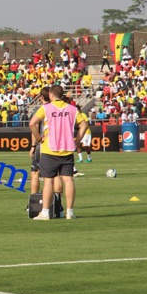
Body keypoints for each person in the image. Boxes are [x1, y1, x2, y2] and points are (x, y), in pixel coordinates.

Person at [29, 85, 88, 220]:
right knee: (68, 180)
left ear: (50, 94)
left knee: (48, 181)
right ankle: (70, 212)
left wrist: (38, 139)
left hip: (50, 148)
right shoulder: (72, 109)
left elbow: (32, 124)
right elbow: (84, 125)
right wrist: (77, 141)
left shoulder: (46, 108)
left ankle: (45, 212)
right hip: (67, 148)